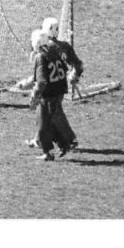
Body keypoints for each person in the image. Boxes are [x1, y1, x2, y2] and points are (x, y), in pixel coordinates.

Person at [24, 17, 82, 150]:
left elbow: (42, 75)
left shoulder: (45, 49)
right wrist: (75, 75)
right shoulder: (64, 46)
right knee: (47, 113)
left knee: (51, 113)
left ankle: (69, 140)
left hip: (51, 87)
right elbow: (78, 65)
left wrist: (29, 84)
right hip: (60, 84)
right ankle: (40, 139)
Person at [28, 29, 74, 161]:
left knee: (42, 123)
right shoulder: (53, 51)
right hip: (59, 91)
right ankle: (64, 144)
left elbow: (42, 81)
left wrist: (34, 97)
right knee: (50, 120)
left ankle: (47, 152)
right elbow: (63, 69)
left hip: (48, 94)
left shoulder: (40, 57)